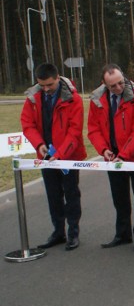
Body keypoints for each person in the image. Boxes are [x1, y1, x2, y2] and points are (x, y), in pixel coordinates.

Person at [87, 64, 134, 253]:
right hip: (112, 157)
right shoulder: (97, 101)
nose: (118, 88)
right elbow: (93, 129)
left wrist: (124, 156)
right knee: (120, 198)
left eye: (120, 83)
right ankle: (123, 234)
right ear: (104, 84)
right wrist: (103, 150)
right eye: (113, 86)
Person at [21, 63, 87, 251]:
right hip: (45, 155)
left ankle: (73, 232)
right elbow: (27, 124)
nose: (46, 89)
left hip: (68, 155)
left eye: (49, 84)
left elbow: (75, 131)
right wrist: (39, 145)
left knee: (71, 193)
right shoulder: (33, 98)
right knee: (53, 194)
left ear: (57, 78)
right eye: (42, 85)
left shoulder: (73, 99)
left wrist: (60, 154)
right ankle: (58, 231)